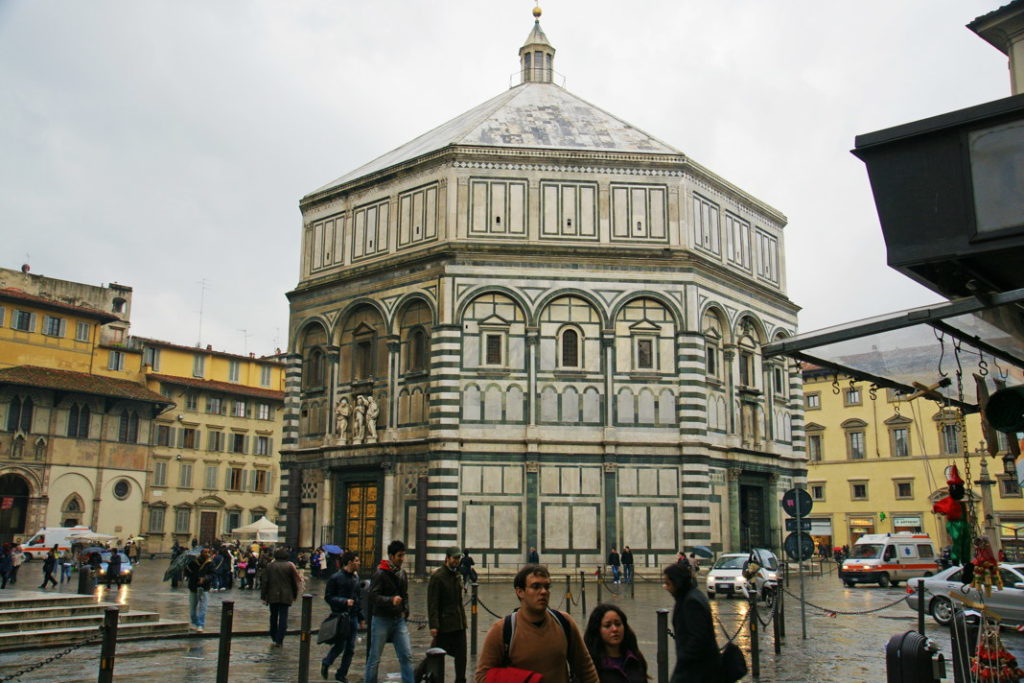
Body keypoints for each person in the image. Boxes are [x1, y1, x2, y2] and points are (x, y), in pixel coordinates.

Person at [475, 564, 598, 683]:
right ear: (520, 592)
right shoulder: (502, 630)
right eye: (536, 586)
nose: (544, 591)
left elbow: (585, 668)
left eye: (547, 586)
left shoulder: (564, 622)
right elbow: (482, 677)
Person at [365, 540, 413, 683]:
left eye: (403, 555)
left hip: (399, 620)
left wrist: (405, 610)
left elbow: (405, 595)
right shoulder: (380, 573)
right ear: (391, 556)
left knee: (407, 656)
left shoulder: (402, 573)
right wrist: (390, 600)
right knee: (374, 658)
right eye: (399, 556)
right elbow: (372, 596)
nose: (402, 559)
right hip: (381, 619)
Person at [663, 563, 720, 682]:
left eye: (668, 583)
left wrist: (681, 673)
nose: (665, 587)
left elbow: (697, 640)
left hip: (698, 674)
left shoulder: (691, 602)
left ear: (677, 583)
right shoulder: (691, 596)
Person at [322, 551, 365, 682]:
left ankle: (341, 674)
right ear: (350, 562)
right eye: (357, 561)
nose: (359, 563)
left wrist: (361, 617)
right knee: (340, 645)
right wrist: (343, 601)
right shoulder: (335, 578)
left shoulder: (356, 578)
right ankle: (327, 662)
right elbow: (328, 597)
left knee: (350, 648)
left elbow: (357, 599)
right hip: (340, 616)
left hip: (352, 617)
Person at [428, 547, 468, 683]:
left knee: (462, 656)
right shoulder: (437, 577)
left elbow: (459, 600)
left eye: (458, 558)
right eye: (455, 558)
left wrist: (463, 620)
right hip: (444, 625)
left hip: (459, 623)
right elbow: (432, 603)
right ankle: (418, 677)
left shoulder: (457, 575)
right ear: (447, 558)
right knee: (435, 655)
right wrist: (434, 625)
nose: (457, 561)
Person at [583, 604, 648, 683]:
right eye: (607, 626)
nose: (614, 629)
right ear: (597, 630)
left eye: (618, 624)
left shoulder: (635, 659)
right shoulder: (589, 666)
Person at [262, 547, 302, 646]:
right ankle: (279, 639)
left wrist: (264, 596)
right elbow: (294, 582)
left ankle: (273, 634)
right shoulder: (289, 566)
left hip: (272, 594)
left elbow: (265, 582)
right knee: (283, 617)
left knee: (273, 616)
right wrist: (295, 594)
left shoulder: (270, 566)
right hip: (286, 594)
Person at [184, 547, 214, 631]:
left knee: (203, 607)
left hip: (204, 587)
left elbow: (213, 574)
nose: (207, 554)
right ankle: (194, 622)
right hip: (193, 587)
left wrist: (205, 578)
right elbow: (188, 573)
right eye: (205, 552)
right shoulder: (192, 562)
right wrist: (193, 574)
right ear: (201, 553)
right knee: (193, 607)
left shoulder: (210, 563)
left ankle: (200, 624)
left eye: (208, 552)